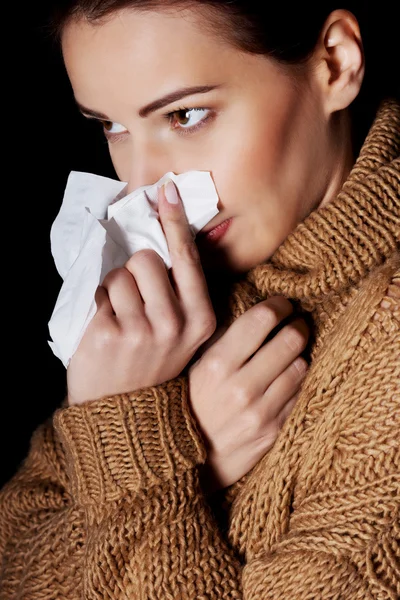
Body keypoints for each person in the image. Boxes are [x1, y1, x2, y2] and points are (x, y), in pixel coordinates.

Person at [1, 1, 399, 598]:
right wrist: (187, 452)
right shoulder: (166, 302)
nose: (144, 186)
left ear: (336, 65)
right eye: (112, 127)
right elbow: (14, 555)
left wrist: (133, 444)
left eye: (186, 114)